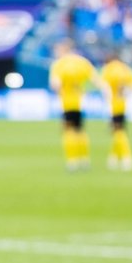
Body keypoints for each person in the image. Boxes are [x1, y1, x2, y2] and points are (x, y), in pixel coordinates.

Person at [48, 40, 104, 172]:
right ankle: (84, 159)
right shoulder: (82, 62)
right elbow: (96, 81)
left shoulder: (59, 64)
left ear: (63, 49)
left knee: (68, 132)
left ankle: (72, 161)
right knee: (80, 131)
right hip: (80, 103)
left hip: (67, 103)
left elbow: (55, 84)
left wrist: (62, 88)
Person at [99, 51, 132, 171]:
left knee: (118, 131)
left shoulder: (108, 69)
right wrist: (125, 93)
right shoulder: (125, 69)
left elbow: (104, 87)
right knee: (118, 130)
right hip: (123, 104)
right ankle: (114, 157)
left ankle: (127, 157)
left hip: (113, 105)